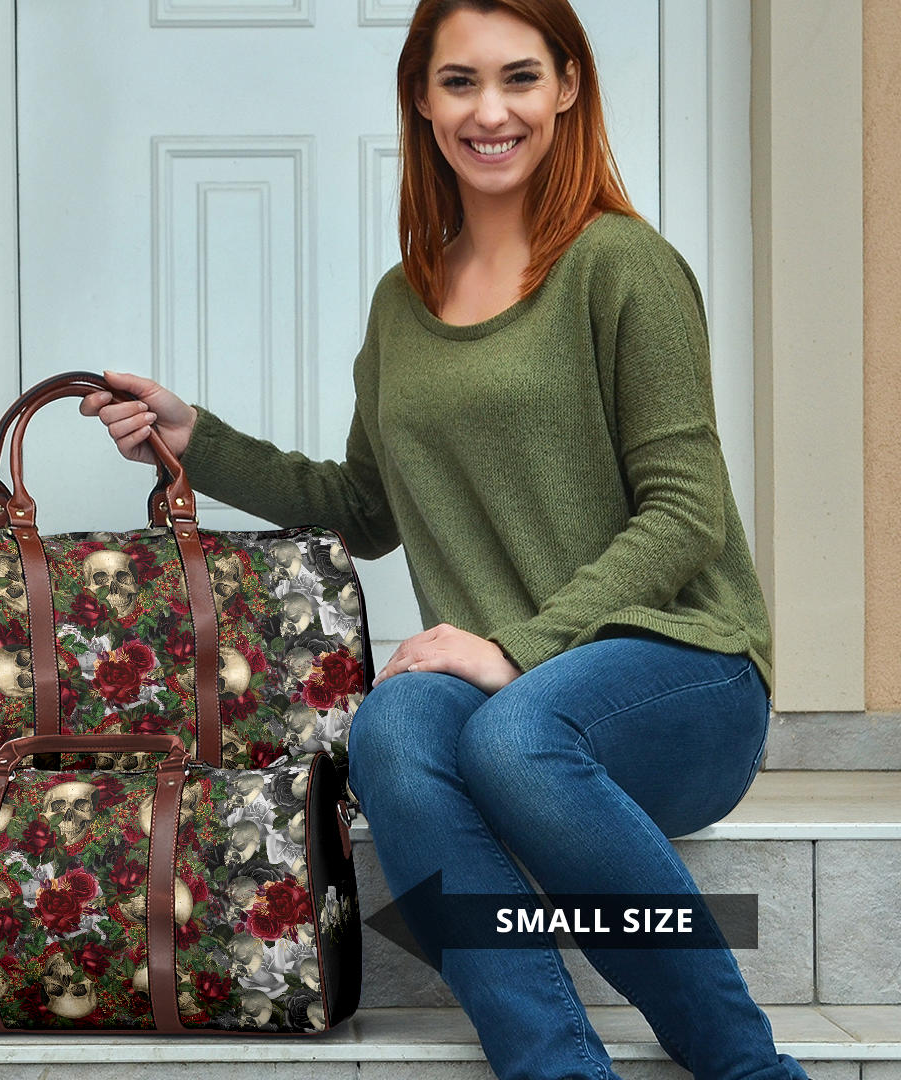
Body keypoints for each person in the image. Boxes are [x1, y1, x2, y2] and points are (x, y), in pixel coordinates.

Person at [80, 2, 809, 1076]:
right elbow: (368, 506)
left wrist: (521, 648)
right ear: (422, 100)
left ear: (568, 85)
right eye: (459, 82)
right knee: (391, 727)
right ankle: (554, 1066)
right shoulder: (404, 301)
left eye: (520, 78)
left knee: (511, 733)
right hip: (513, 696)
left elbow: (688, 511)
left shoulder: (623, 268)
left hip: (683, 675)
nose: (491, 110)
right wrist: (199, 443)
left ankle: (749, 1067)